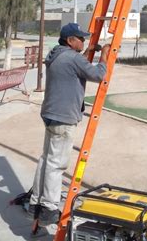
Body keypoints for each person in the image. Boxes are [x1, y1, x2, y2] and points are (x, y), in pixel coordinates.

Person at [28, 23, 110, 225]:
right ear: (70, 40)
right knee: (57, 164)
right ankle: (49, 207)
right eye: (80, 39)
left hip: (50, 113)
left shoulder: (56, 54)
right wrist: (104, 55)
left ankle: (35, 202)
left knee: (46, 159)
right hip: (63, 117)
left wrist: (88, 51)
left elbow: (76, 65)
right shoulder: (73, 58)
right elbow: (98, 75)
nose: (83, 42)